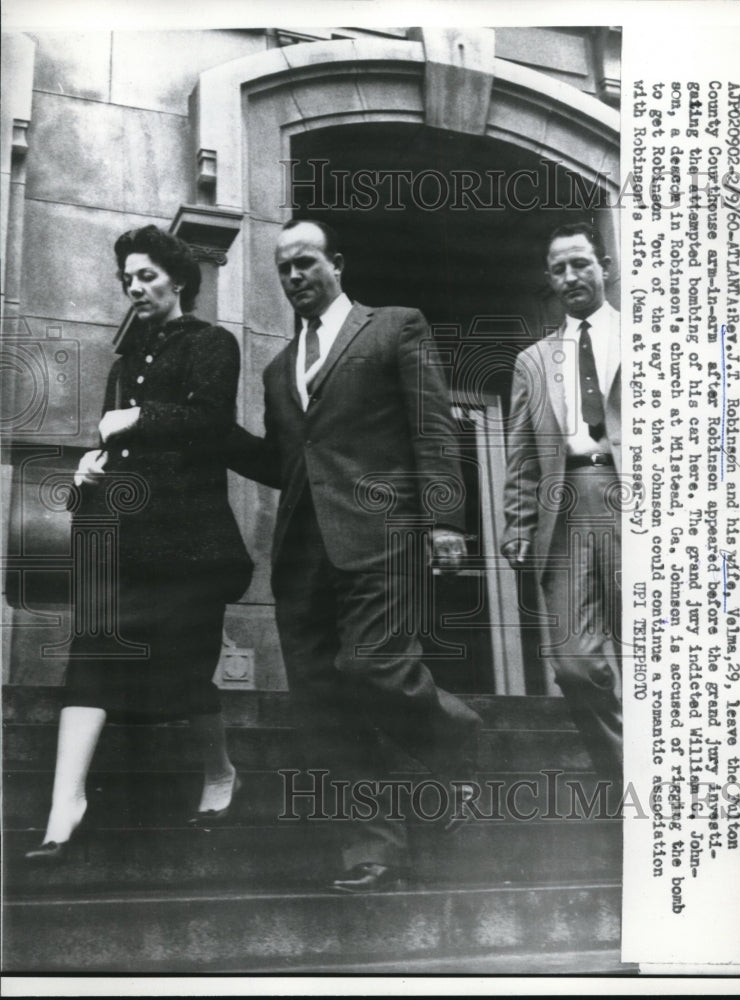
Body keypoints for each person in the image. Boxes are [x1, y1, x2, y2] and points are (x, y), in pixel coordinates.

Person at [228, 218, 482, 892]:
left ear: (335, 262)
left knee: (372, 664)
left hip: (380, 535)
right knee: (321, 703)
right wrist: (210, 435)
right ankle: (371, 847)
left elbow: (431, 427)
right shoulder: (279, 367)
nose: (293, 278)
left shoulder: (394, 326)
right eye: (283, 269)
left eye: (305, 263)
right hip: (302, 551)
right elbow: (292, 462)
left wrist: (444, 520)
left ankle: (457, 738)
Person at [25, 225, 253, 862]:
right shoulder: (126, 364)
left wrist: (139, 418)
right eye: (128, 279)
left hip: (190, 544)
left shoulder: (213, 343)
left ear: (177, 279)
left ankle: (220, 772)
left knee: (184, 670)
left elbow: (212, 423)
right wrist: (87, 470)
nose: (136, 287)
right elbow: (113, 446)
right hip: (122, 541)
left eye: (147, 276)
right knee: (90, 656)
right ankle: (63, 808)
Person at [501, 222, 622, 782]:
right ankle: (630, 780)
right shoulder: (533, 361)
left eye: (581, 263)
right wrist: (517, 525)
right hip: (567, 507)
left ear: (605, 267)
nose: (571, 276)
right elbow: (522, 456)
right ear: (549, 280)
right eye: (559, 269)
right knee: (576, 666)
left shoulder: (655, 336)